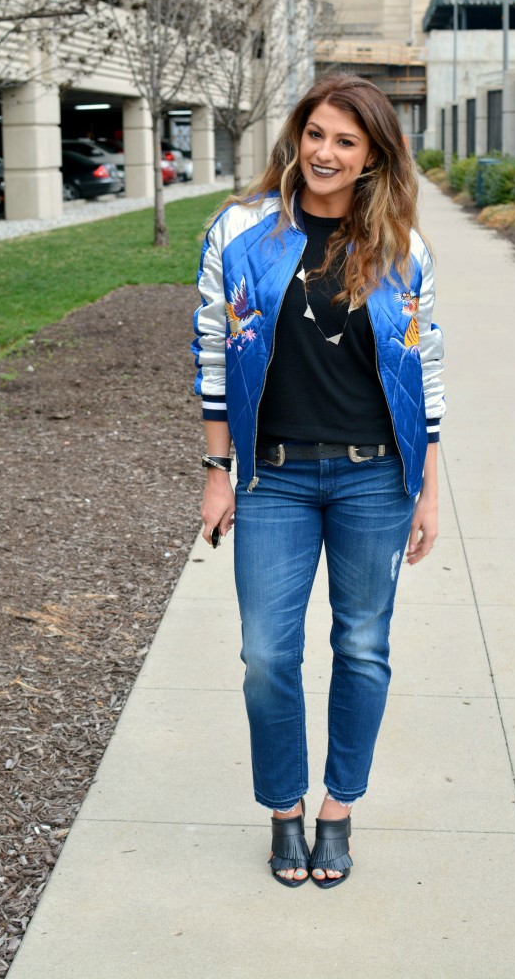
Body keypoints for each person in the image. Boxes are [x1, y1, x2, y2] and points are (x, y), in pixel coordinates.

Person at [191, 73, 445, 889]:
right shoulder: (238, 231)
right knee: (266, 653)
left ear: (372, 156)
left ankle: (337, 810)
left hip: (376, 477)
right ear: (295, 137)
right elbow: (211, 354)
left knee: (361, 648)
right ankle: (282, 809)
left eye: (345, 140)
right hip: (274, 477)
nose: (324, 153)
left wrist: (429, 491)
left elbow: (425, 374)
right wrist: (216, 471)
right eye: (314, 134)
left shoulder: (402, 250)